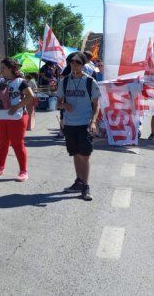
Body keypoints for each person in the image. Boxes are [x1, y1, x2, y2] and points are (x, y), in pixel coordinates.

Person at [57, 52, 101, 201]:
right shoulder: (64, 81)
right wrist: (64, 105)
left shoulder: (90, 82)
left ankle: (86, 186)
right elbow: (58, 102)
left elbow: (96, 105)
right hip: (70, 124)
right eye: (72, 62)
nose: (74, 65)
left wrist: (93, 121)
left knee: (85, 156)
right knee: (75, 154)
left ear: (83, 65)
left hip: (84, 124)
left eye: (77, 62)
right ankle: (78, 181)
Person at [0, 58, 36, 181]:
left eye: (3, 68)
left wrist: (16, 106)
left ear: (11, 68)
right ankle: (0, 167)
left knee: (17, 144)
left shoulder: (20, 81)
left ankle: (23, 171)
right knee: (3, 143)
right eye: (1, 67)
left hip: (16, 118)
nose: (1, 70)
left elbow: (30, 96)